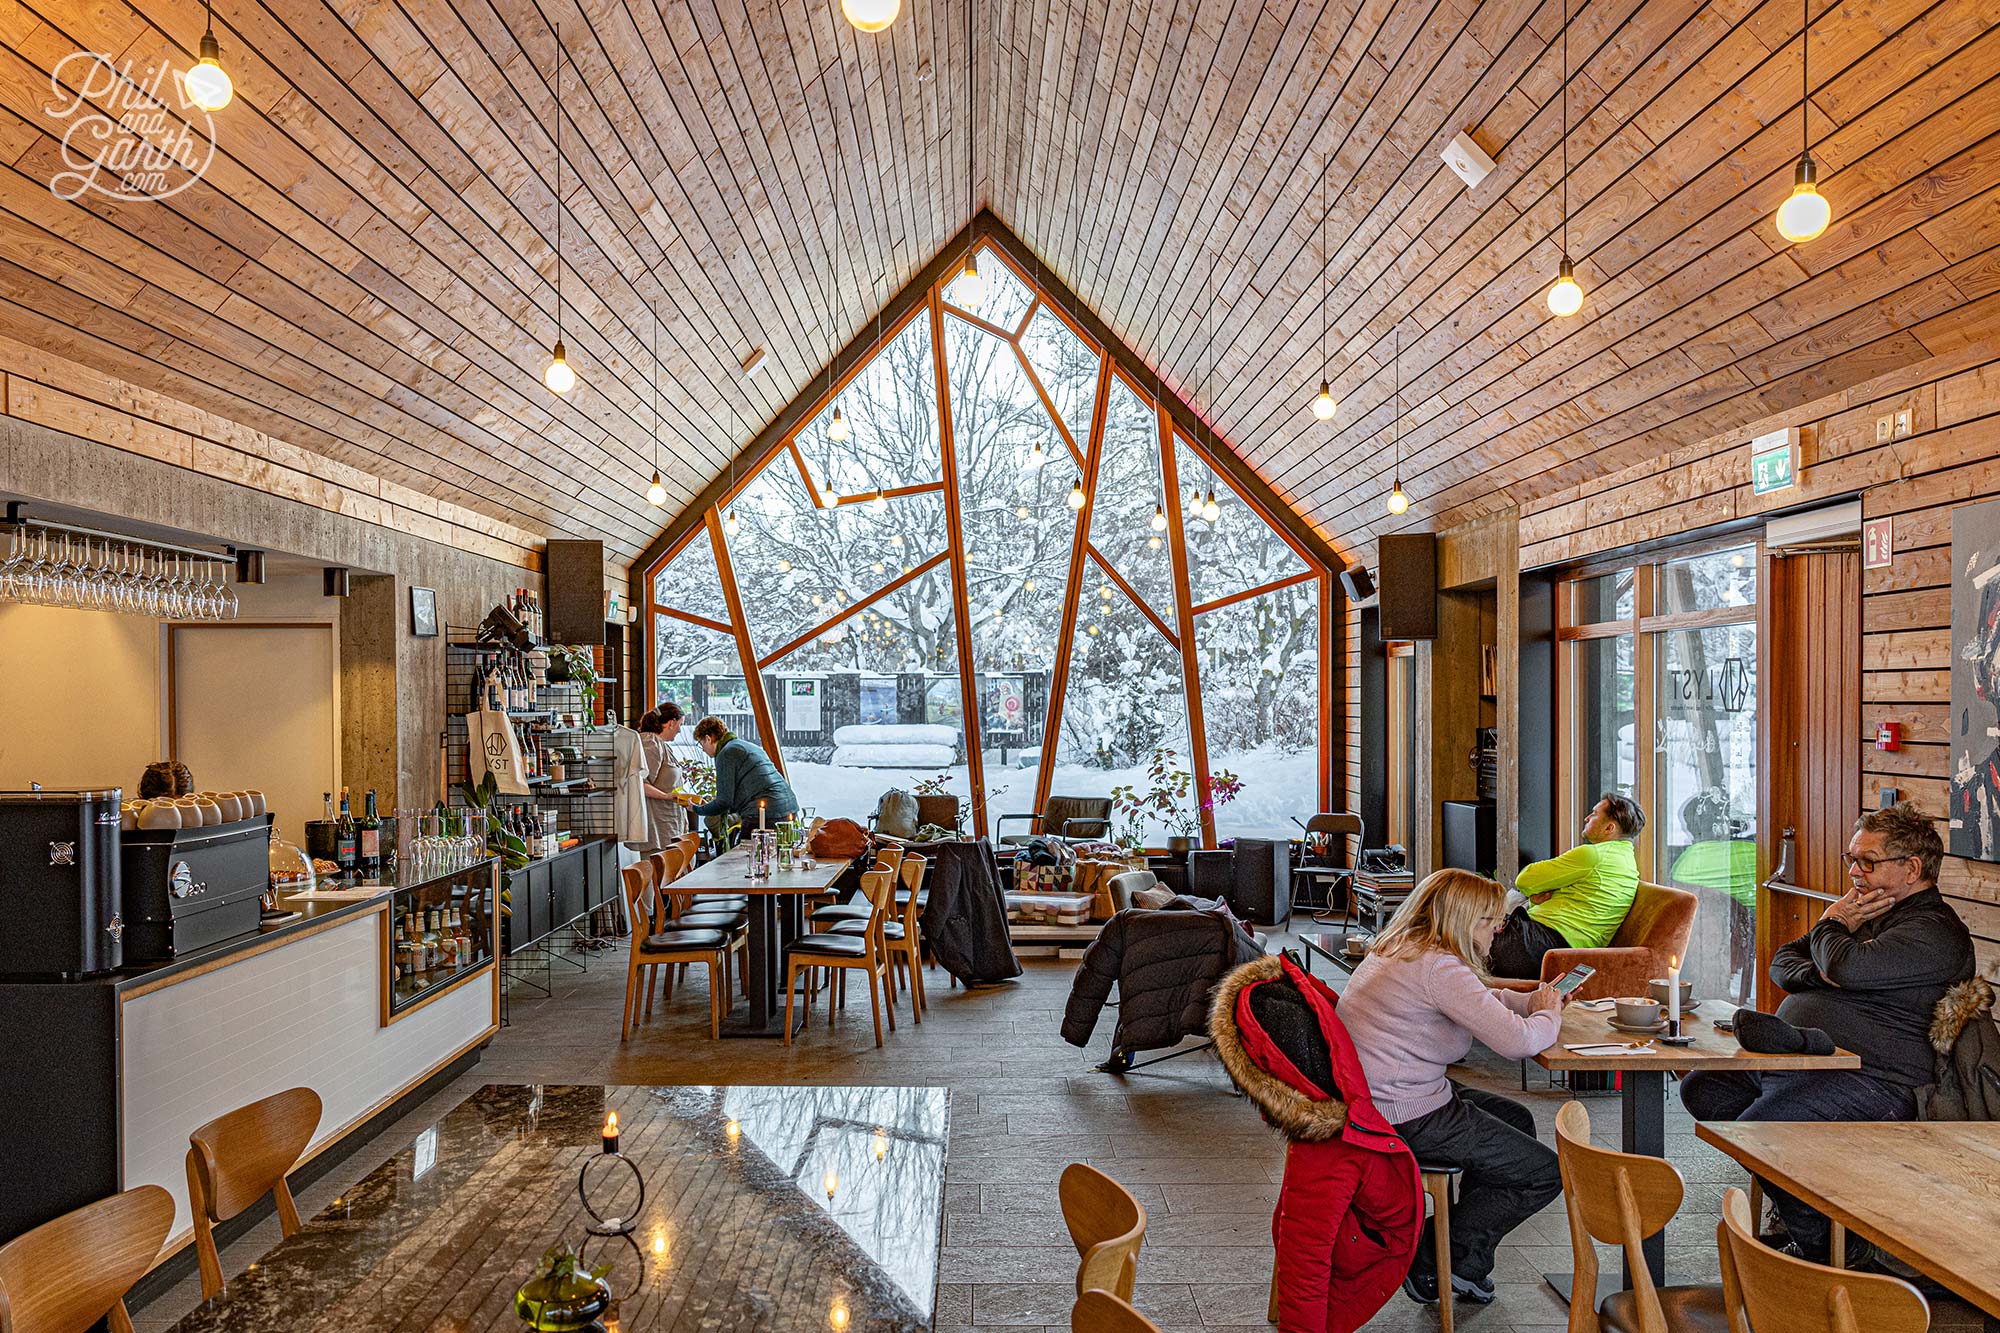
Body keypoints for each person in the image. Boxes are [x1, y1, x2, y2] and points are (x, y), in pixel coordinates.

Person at [1680, 802, 1974, 1266]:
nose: (1854, 871)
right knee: (1705, 1087)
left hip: (1881, 1082)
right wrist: (1830, 963)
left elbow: (1842, 963)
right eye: (1851, 859)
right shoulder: (1866, 915)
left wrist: (1834, 931)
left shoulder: (1933, 931)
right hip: (1817, 1063)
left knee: (1762, 1128)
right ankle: (1808, 1215)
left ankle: (1836, 1250)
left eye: (1867, 861)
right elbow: (1783, 963)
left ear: (1913, 868)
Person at [1339, 868, 1567, 1308]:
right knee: (1543, 1173)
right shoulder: (1439, 968)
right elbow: (1517, 1043)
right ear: (1465, 920)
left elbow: (1479, 1002)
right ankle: (1431, 1255)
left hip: (1385, 1094)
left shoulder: (1405, 947)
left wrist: (1538, 1002)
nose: (1498, 930)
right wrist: (1548, 1018)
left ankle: (1462, 1263)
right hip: (1404, 1111)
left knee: (1515, 1120)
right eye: (1491, 920)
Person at [1486, 792, 1643, 980]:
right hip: (1553, 948)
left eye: (1594, 814)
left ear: (1609, 827)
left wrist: (1535, 897)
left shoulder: (1593, 856)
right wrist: (1536, 902)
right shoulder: (1626, 862)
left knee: (1458, 933)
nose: (1587, 818)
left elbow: (1524, 880)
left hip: (1537, 945)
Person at [679, 717, 798, 833]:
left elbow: (724, 802)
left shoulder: (726, 754)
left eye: (701, 743)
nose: (703, 749)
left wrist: (696, 809)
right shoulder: (746, 746)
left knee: (745, 851)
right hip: (788, 807)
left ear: (708, 738)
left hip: (764, 812)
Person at [637, 704, 686, 852]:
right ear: (671, 723)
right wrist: (665, 796)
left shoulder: (661, 744)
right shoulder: (651, 742)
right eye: (680, 724)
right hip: (657, 827)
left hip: (667, 824)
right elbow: (639, 782)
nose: (680, 730)